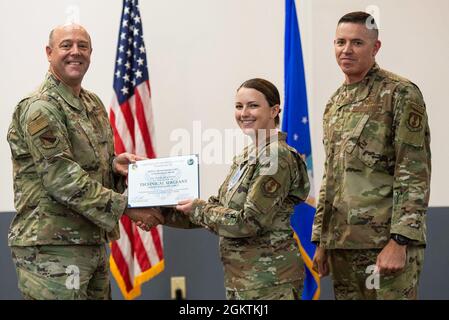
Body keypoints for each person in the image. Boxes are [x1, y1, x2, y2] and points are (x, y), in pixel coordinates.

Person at [7, 24, 163, 300]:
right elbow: (62, 178)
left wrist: (114, 166)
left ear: (91, 52)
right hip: (51, 251)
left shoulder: (92, 103)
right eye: (66, 45)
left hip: (91, 242)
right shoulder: (40, 107)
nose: (75, 52)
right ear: (49, 52)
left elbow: (88, 168)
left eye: (83, 46)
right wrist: (127, 207)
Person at [311, 12, 431, 300]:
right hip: (342, 245)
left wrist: (400, 240)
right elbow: (331, 176)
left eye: (357, 42)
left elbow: (413, 171)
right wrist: (322, 239)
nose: (346, 50)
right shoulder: (335, 103)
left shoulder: (400, 93)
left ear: (375, 47)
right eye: (340, 42)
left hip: (384, 245)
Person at [159, 78, 310, 300]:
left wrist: (198, 208)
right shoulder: (248, 156)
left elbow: (248, 222)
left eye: (253, 105)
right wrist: (158, 214)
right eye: (239, 106)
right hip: (242, 280)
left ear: (274, 110)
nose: (244, 113)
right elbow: (218, 211)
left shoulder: (276, 156)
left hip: (270, 283)